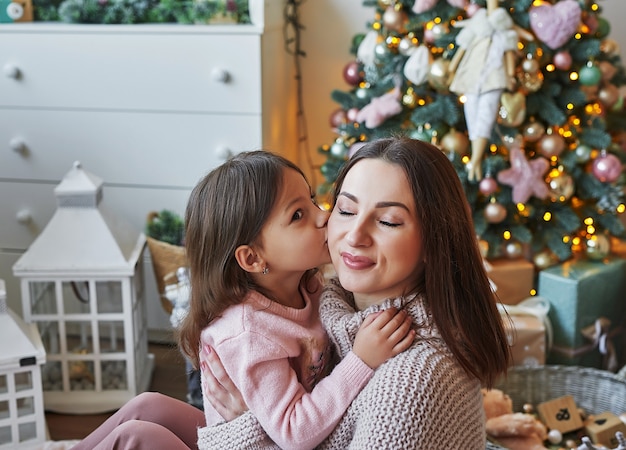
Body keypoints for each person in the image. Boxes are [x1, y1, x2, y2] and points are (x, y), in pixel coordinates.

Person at [72, 150, 414, 450]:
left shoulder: (309, 287)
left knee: (148, 407)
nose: (324, 215)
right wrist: (362, 360)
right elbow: (295, 432)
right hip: (240, 442)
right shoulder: (250, 334)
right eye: (298, 215)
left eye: (311, 199)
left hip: (256, 432)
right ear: (252, 259)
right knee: (139, 436)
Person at [199, 136, 512, 449]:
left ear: (434, 241)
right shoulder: (333, 313)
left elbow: (294, 431)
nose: (355, 236)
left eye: (388, 221)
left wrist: (243, 434)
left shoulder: (409, 385)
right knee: (149, 415)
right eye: (345, 210)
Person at [447, 0, 521, 182]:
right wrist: (452, 67)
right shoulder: (477, 24)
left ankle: (475, 159)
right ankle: (476, 159)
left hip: (494, 75)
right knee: (471, 110)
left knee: (486, 113)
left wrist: (511, 74)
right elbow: (463, 48)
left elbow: (509, 52)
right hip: (473, 73)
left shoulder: (503, 27)